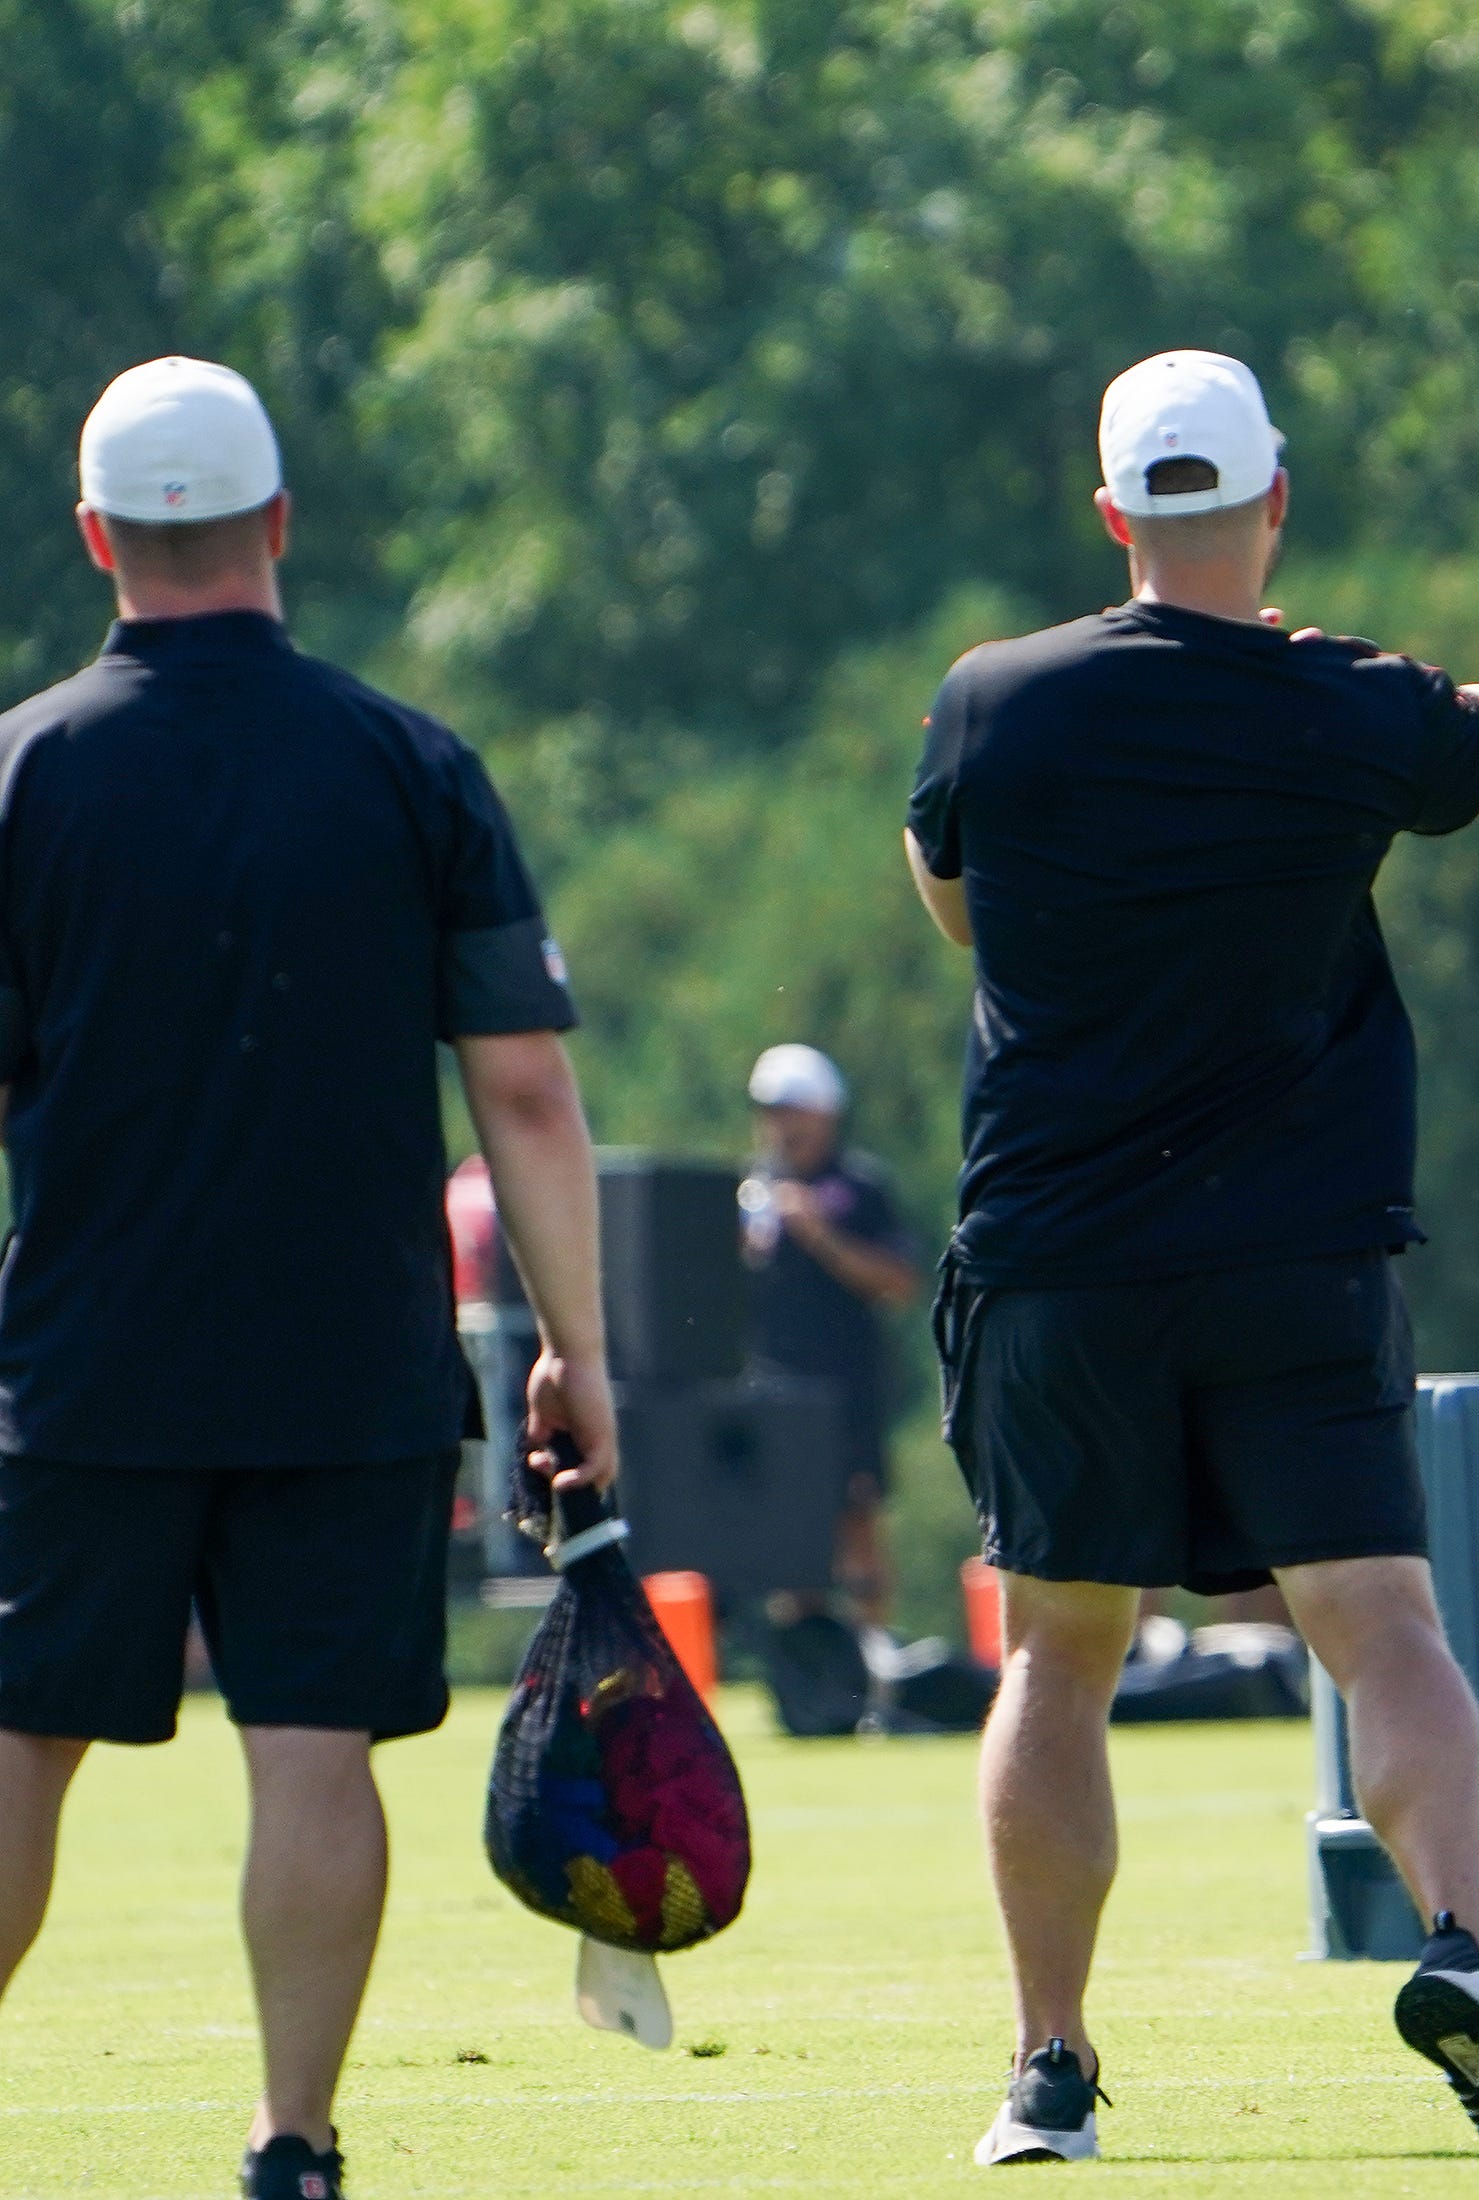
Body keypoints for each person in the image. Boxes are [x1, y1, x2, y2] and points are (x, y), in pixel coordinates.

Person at [905, 348, 1479, 2161]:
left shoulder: (992, 702)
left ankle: (1047, 2071)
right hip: (1295, 1252)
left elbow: (960, 909)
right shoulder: (1339, 704)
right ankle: (1469, 1955)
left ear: (1114, 512)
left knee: (1059, 1658)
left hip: (1058, 1252)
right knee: (1381, 1633)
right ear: (1274, 501)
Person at [0, 359, 613, 2200]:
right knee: (310, 1749)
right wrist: (580, 1352)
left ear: (101, 537)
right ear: (277, 525)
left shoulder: (24, 769)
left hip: (80, 1360)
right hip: (346, 1360)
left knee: (23, 1746)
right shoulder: (406, 761)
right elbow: (520, 1079)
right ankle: (291, 2146)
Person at [741, 1042, 922, 1624]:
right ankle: (807, 1669)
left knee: (857, 1520)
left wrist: (819, 1234)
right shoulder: (754, 1191)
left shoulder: (859, 1187)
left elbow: (899, 1281)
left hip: (846, 1384)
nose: (779, 1126)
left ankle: (873, 1660)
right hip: (774, 1384)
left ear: (823, 1113)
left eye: (791, 1110)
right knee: (788, 1530)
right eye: (770, 1112)